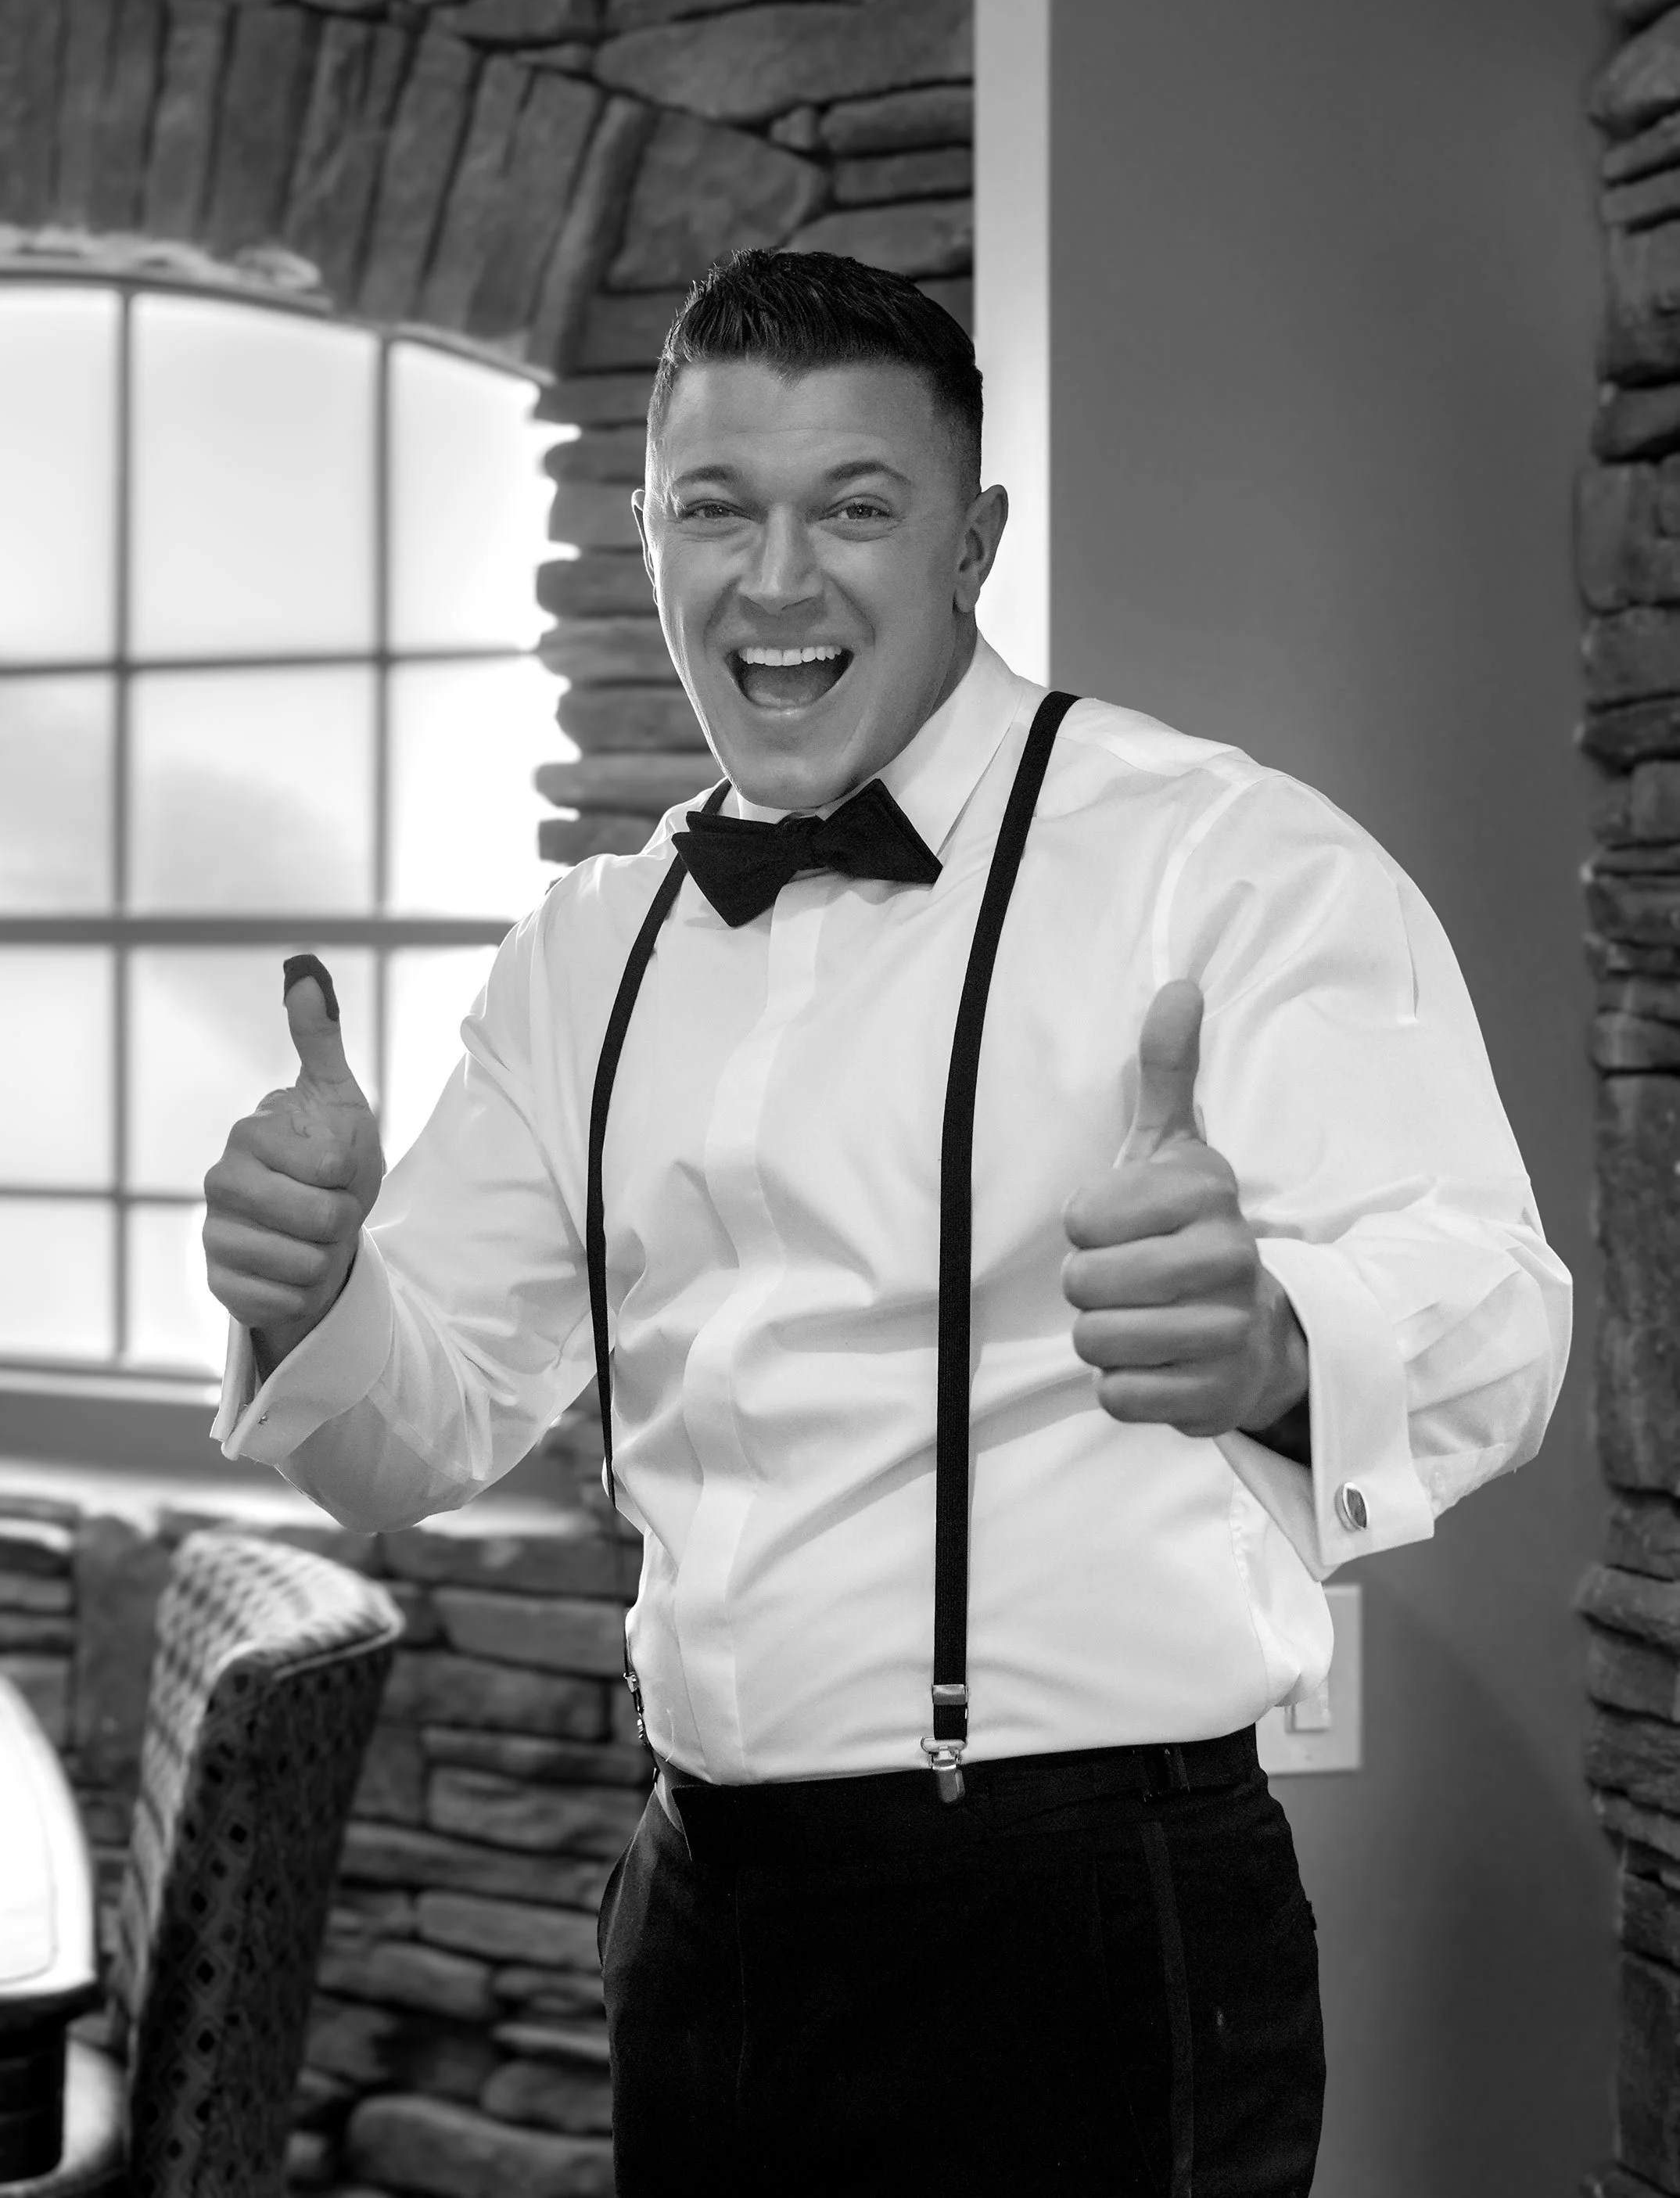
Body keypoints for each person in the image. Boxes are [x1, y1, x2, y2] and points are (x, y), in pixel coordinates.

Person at [203, 249, 1571, 2197]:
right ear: (648, 529)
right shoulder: (585, 950)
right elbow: (409, 1429)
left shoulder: (1223, 858)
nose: (775, 583)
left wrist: (1277, 1343)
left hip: (1081, 1925)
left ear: (973, 538)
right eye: (714, 509)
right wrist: (317, 1288)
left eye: (854, 506)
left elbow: (1497, 1311)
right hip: (700, 1913)